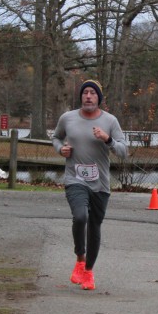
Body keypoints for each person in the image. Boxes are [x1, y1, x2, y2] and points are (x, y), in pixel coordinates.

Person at [53, 79, 128, 290]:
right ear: (81, 97)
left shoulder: (110, 121)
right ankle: (80, 259)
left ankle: (88, 271)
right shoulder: (67, 118)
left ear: (99, 98)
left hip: (100, 184)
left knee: (94, 226)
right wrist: (60, 149)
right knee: (80, 216)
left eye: (92, 93)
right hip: (75, 179)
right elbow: (56, 138)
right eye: (85, 92)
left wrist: (108, 140)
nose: (88, 96)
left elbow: (123, 151)